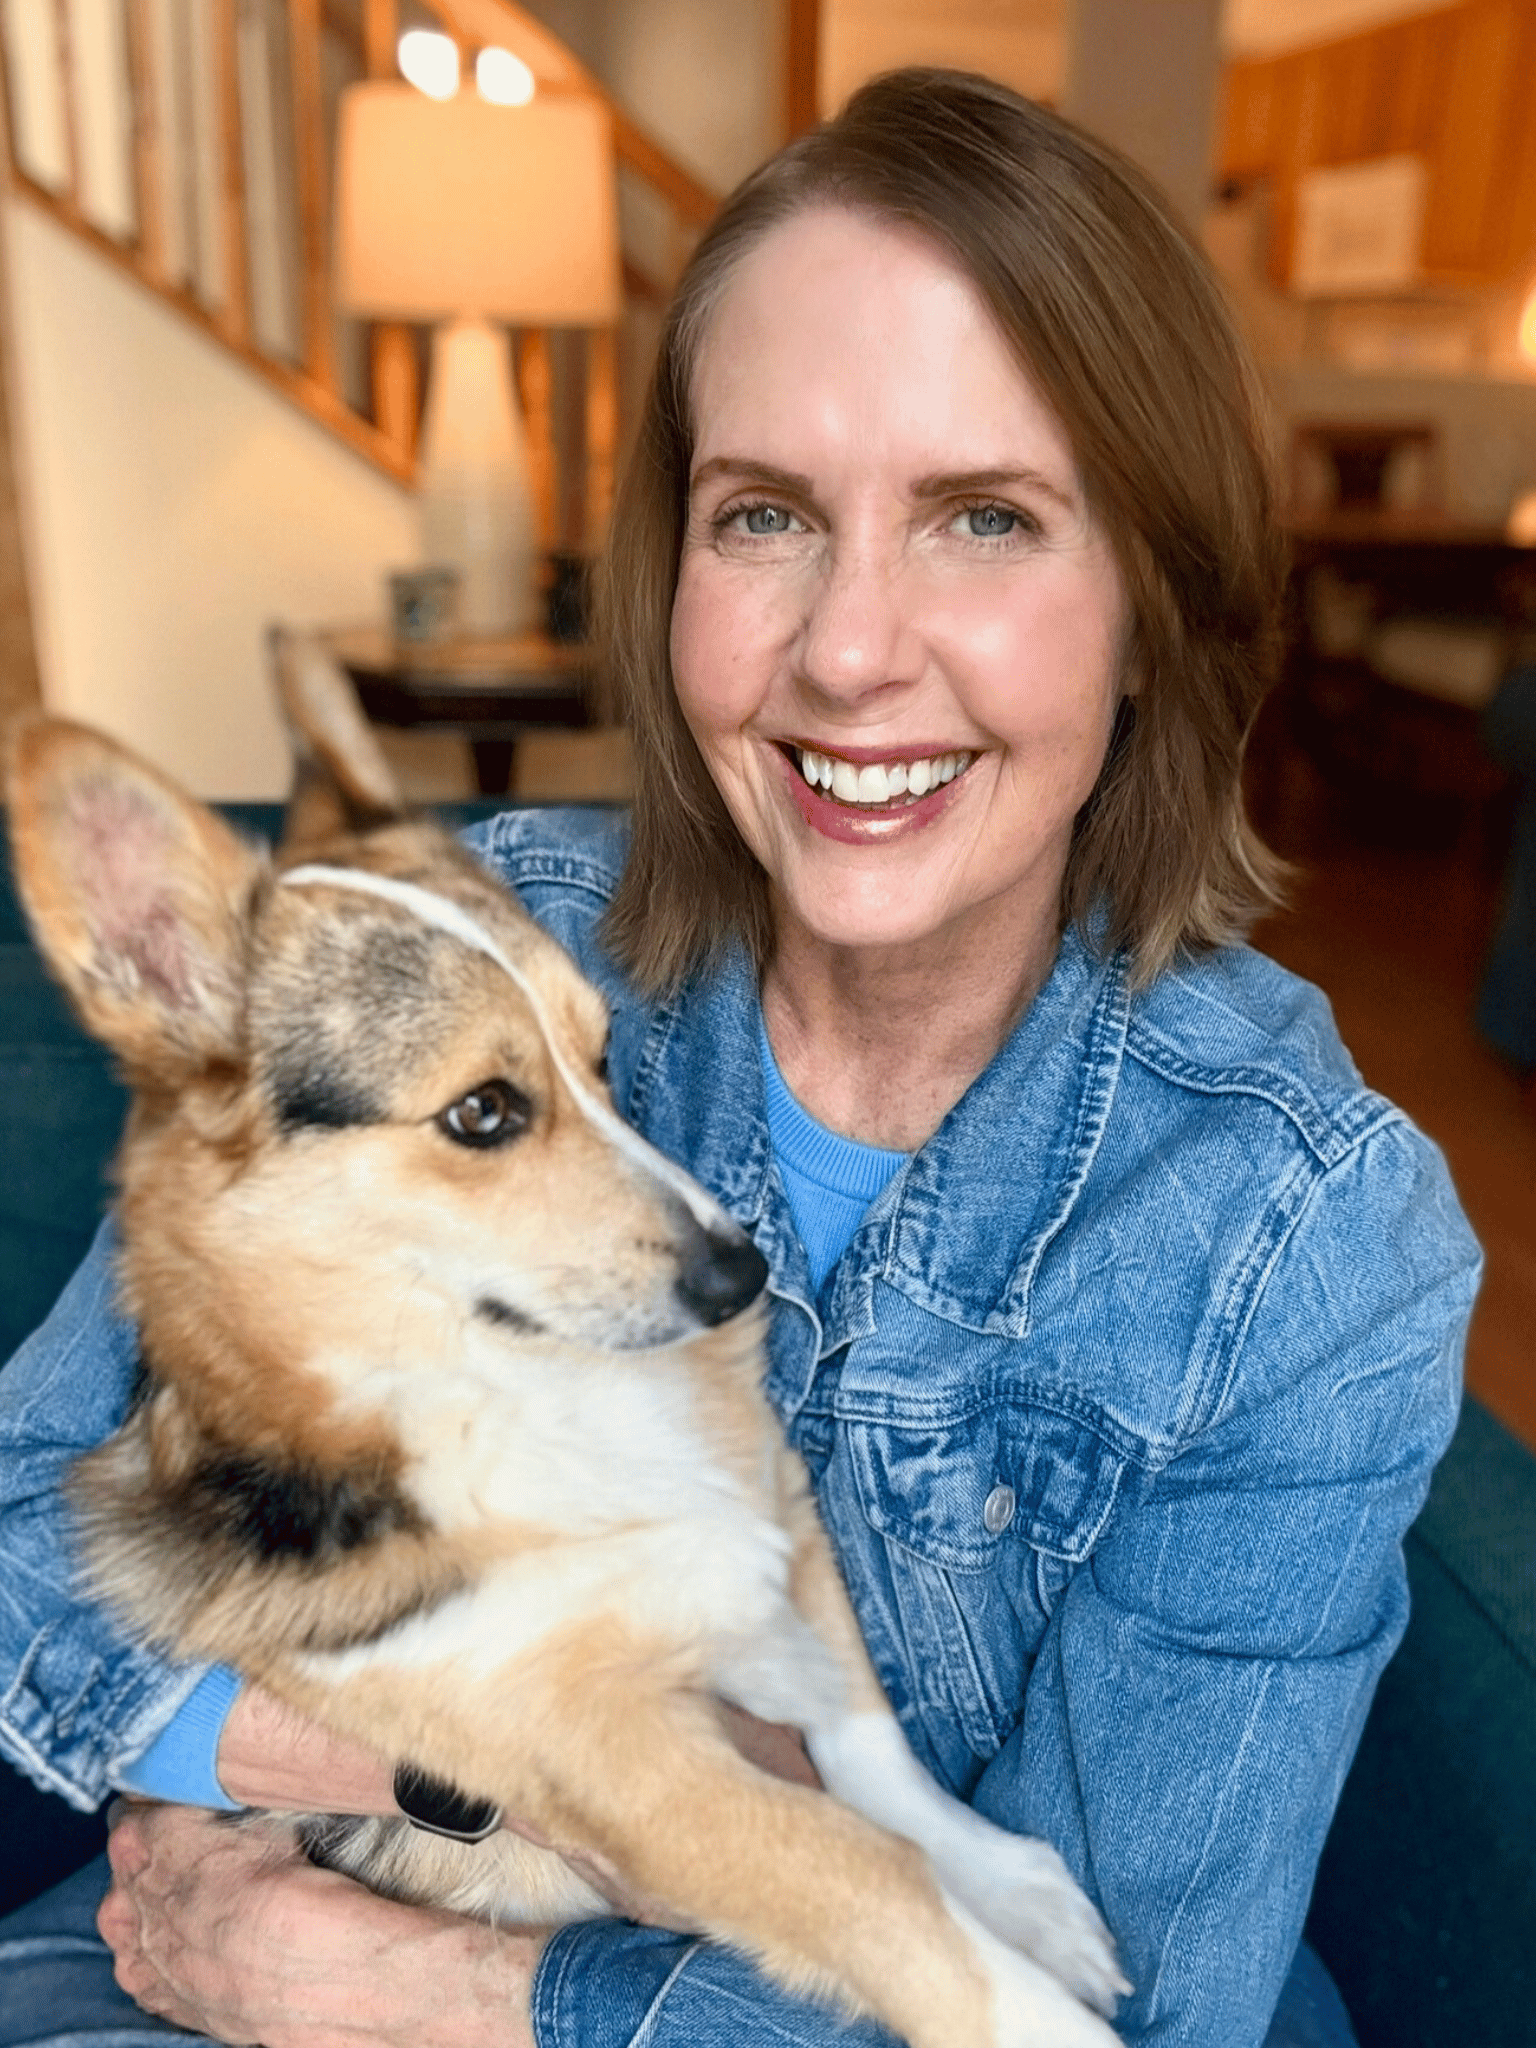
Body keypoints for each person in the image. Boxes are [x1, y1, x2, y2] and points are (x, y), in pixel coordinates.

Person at [0, 69, 1478, 2048]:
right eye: (765, 514)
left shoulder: (1297, 1236)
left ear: (1156, 604)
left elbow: (1125, 2003)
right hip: (221, 1933)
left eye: (985, 517)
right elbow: (15, 1540)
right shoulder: (462, 940)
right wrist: (432, 1770)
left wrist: (435, 1984)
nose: (849, 652)